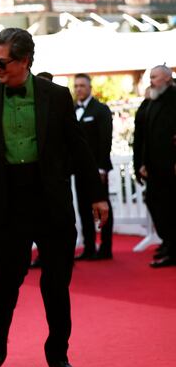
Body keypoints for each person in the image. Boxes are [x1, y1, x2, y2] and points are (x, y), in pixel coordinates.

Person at [0, 28, 109, 367]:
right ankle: (0, 330)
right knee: (5, 280)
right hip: (6, 202)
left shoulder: (56, 96)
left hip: (50, 200)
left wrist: (96, 194)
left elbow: (78, 146)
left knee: (56, 283)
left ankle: (57, 353)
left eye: (0, 62)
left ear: (25, 60)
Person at [133, 65, 176, 268]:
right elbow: (146, 136)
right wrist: (143, 163)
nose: (151, 80)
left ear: (167, 78)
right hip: (155, 167)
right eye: (150, 77)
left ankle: (172, 248)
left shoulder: (173, 99)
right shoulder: (153, 101)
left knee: (170, 208)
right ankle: (168, 243)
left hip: (171, 167)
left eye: (155, 77)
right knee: (156, 205)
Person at [73, 73, 114, 260]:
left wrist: (101, 168)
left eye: (82, 85)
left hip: (98, 170)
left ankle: (106, 248)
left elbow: (105, 141)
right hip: (79, 170)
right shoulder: (72, 109)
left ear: (90, 88)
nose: (79, 89)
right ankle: (89, 247)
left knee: (103, 208)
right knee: (83, 209)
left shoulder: (101, 109)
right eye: (76, 86)